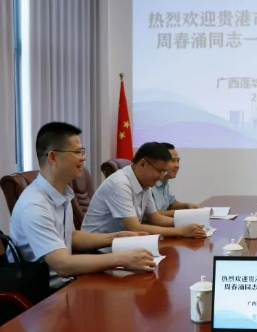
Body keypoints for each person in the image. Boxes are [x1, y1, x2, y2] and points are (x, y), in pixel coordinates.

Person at [10, 122, 156, 289]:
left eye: (82, 151)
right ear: (53, 157)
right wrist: (123, 258)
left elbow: (71, 236)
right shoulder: (35, 206)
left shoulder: (61, 193)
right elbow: (62, 265)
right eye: (77, 152)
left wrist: (116, 237)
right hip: (46, 293)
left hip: (69, 282)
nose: (83, 158)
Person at [82, 142, 207, 238]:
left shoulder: (145, 183)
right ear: (142, 164)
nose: (161, 177)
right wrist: (182, 231)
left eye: (163, 172)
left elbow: (156, 218)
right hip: (97, 249)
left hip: (121, 243)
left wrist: (188, 222)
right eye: (159, 171)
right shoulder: (120, 183)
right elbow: (135, 228)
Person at [152, 142, 200, 217]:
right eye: (172, 161)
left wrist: (187, 206)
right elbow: (150, 215)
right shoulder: (149, 183)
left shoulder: (165, 182)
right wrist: (183, 213)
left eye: (177, 161)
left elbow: (171, 204)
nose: (177, 165)